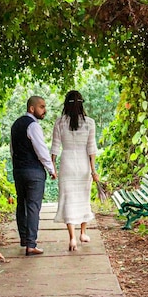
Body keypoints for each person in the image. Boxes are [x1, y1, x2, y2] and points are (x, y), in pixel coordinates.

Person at [51, 90, 99, 251]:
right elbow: (91, 149)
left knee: (68, 200)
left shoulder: (59, 123)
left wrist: (53, 168)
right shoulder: (89, 123)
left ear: (66, 104)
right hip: (83, 164)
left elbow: (55, 148)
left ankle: (72, 238)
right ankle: (83, 233)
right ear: (81, 103)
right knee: (83, 199)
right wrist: (93, 170)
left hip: (67, 164)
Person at [10, 95, 56, 256]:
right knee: (33, 207)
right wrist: (51, 169)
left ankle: (24, 239)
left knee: (21, 204)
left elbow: (12, 150)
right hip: (34, 171)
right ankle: (31, 244)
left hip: (18, 170)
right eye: (42, 107)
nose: (45, 110)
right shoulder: (33, 126)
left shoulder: (16, 124)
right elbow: (41, 150)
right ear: (32, 108)